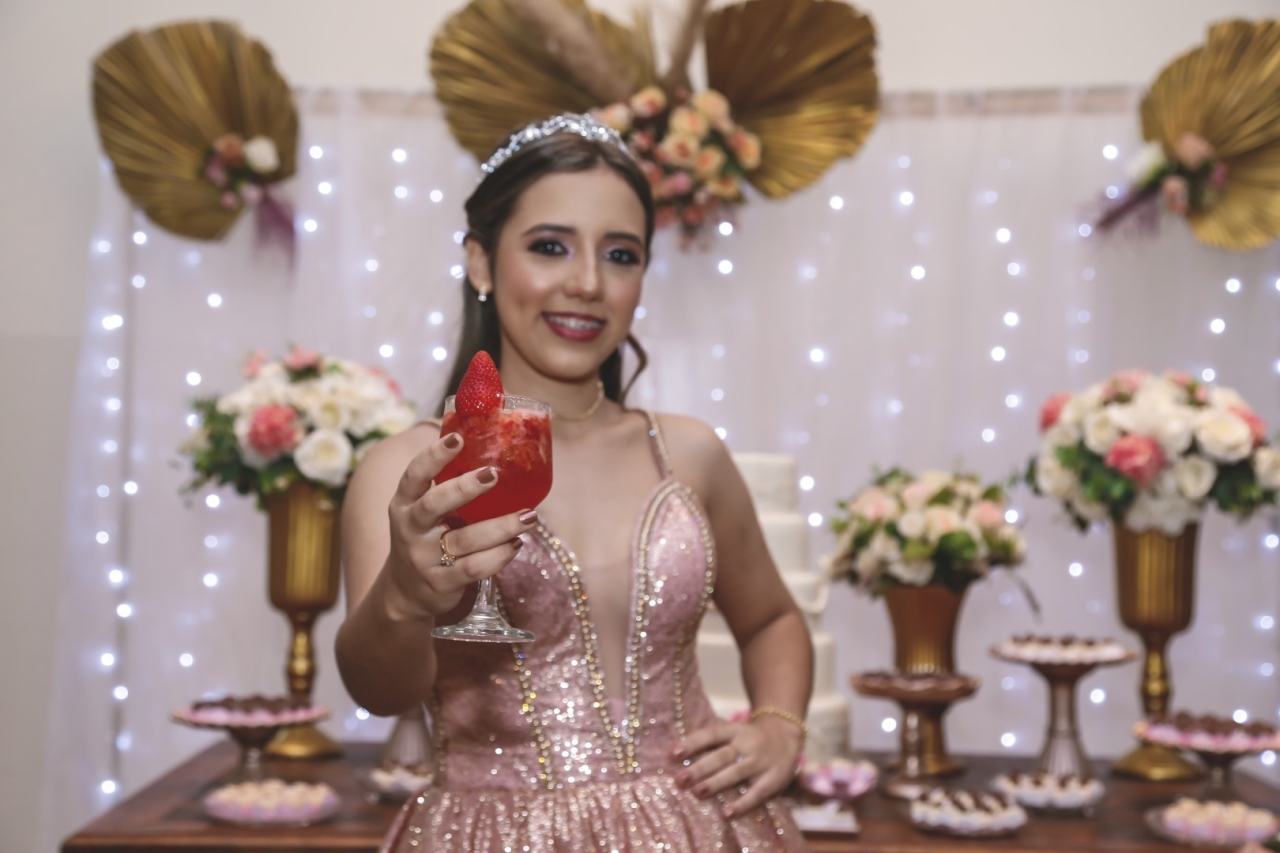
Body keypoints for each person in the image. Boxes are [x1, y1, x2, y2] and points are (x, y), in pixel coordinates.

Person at [336, 114, 814, 852]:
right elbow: (379, 692)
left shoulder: (687, 453)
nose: (588, 283)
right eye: (550, 246)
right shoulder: (409, 471)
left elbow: (773, 619)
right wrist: (403, 596)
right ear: (481, 262)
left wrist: (780, 727)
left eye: (620, 255)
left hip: (702, 826)